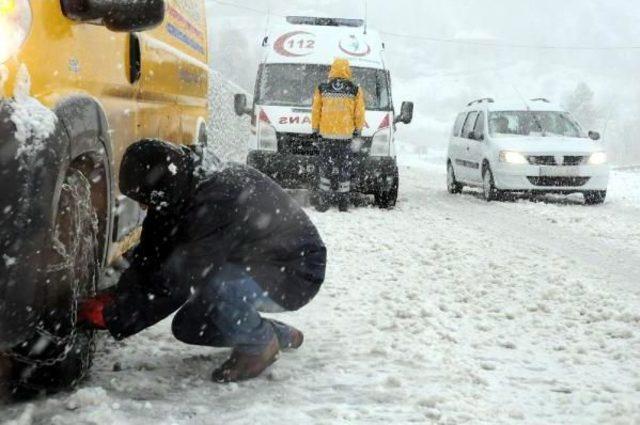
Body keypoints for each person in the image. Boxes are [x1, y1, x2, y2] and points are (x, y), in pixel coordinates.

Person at [78, 140, 327, 383]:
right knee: (190, 325)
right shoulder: (179, 186)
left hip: (296, 271)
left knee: (212, 281)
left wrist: (114, 315)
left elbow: (183, 276)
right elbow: (153, 253)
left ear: (159, 187)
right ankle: (273, 334)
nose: (143, 206)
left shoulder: (217, 198)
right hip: (252, 265)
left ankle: (258, 346)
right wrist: (120, 293)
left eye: (145, 198)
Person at [311, 58, 366, 212]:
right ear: (347, 70)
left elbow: (316, 110)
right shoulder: (355, 89)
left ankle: (323, 201)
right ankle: (343, 203)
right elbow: (359, 113)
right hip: (345, 138)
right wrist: (358, 131)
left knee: (325, 170)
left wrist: (315, 129)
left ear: (332, 69)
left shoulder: (322, 88)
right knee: (344, 170)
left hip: (326, 137)